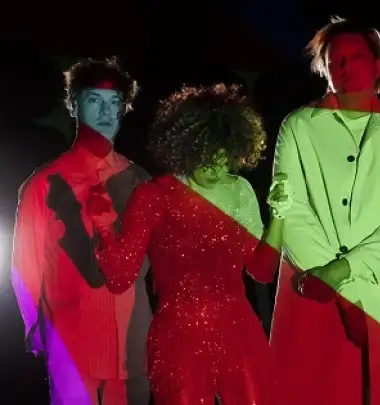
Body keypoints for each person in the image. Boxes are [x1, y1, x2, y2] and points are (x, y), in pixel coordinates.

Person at [269, 16, 380, 405]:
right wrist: (342, 292)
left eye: (357, 57)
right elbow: (291, 212)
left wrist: (343, 271)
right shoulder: (298, 126)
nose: (346, 67)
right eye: (336, 60)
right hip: (314, 286)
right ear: (324, 68)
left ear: (379, 63)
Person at [84, 83, 290, 405]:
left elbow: (262, 272)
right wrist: (104, 226)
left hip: (239, 332)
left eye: (223, 157)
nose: (215, 168)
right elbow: (120, 277)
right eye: (205, 157)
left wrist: (278, 216)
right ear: (186, 147)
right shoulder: (153, 195)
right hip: (178, 339)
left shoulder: (240, 190)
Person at [11, 57, 151, 405]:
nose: (106, 111)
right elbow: (25, 263)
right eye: (94, 100)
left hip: (131, 342)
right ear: (73, 105)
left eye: (114, 102)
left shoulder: (140, 182)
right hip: (72, 341)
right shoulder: (45, 183)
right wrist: (34, 326)